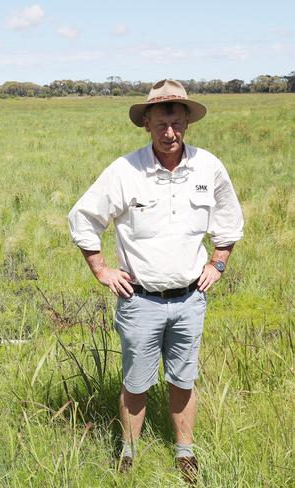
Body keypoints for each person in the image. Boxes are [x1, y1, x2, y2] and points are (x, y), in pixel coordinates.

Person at [67, 79, 244, 484]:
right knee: (136, 381)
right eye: (161, 123)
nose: (170, 133)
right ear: (146, 122)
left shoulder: (208, 167)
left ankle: (185, 451)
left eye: (177, 123)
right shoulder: (125, 171)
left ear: (186, 123)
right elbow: (83, 217)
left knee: (183, 378)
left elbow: (229, 221)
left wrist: (218, 263)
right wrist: (101, 269)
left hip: (189, 298)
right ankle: (128, 453)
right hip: (140, 299)